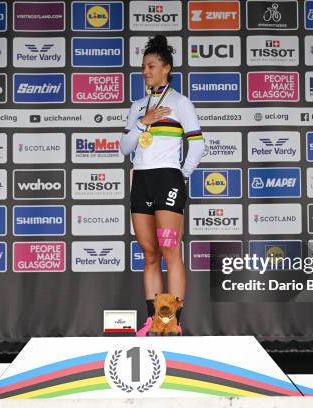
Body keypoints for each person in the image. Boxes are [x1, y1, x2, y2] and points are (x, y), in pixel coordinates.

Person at [121, 35, 205, 336]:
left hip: (168, 178)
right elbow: (125, 146)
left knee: (171, 250)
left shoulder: (181, 102)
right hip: (141, 179)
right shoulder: (138, 105)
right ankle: (154, 322)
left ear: (166, 69)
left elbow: (197, 144)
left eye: (152, 66)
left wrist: (182, 175)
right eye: (144, 66)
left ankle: (173, 323)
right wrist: (144, 121)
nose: (146, 71)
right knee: (149, 253)